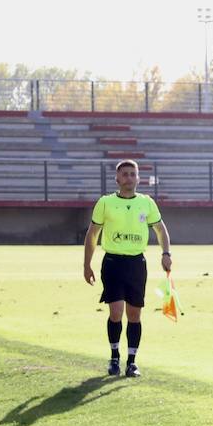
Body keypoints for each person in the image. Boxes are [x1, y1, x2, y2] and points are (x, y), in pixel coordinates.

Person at [83, 159, 172, 378]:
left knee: (134, 314)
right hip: (113, 263)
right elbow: (93, 234)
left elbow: (160, 229)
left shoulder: (147, 203)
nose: (129, 178)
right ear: (117, 178)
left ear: (138, 178)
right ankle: (114, 357)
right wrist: (87, 264)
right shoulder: (105, 202)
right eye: (125, 174)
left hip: (136, 264)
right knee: (116, 312)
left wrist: (166, 253)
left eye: (133, 174)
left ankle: (132, 362)